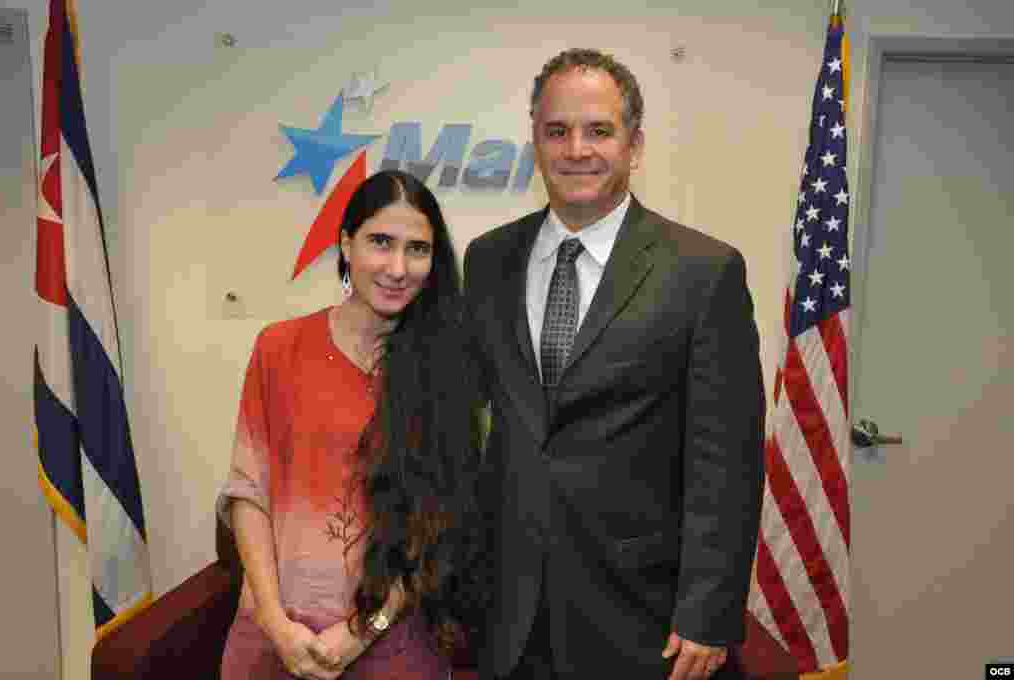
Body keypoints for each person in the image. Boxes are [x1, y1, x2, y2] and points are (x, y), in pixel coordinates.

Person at [462, 48, 765, 680]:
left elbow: (726, 462)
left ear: (635, 145)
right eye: (557, 131)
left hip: (641, 619)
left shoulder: (703, 272)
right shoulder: (488, 261)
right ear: (535, 142)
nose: (576, 149)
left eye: (598, 130)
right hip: (509, 615)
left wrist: (708, 611)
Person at [218, 169, 485, 680]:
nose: (397, 268)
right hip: (273, 642)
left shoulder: (446, 370)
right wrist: (274, 622)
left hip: (391, 645)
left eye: (417, 249)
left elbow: (438, 523)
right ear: (346, 244)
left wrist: (361, 631)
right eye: (380, 242)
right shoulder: (278, 348)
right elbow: (248, 490)